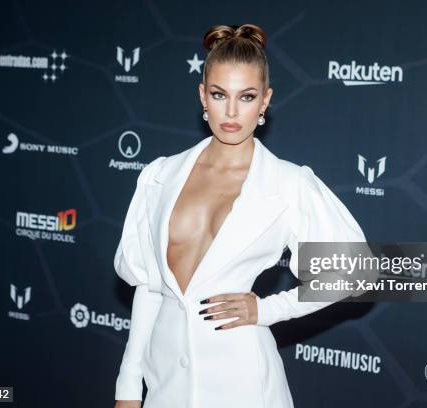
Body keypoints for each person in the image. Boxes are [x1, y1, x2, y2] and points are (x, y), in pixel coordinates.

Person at [113, 23, 370, 408]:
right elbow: (150, 288)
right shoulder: (159, 175)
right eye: (219, 94)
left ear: (265, 101)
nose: (231, 112)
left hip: (244, 382)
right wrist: (129, 388)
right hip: (166, 384)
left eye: (246, 96)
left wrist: (267, 308)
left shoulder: (287, 183)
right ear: (203, 95)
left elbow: (356, 270)